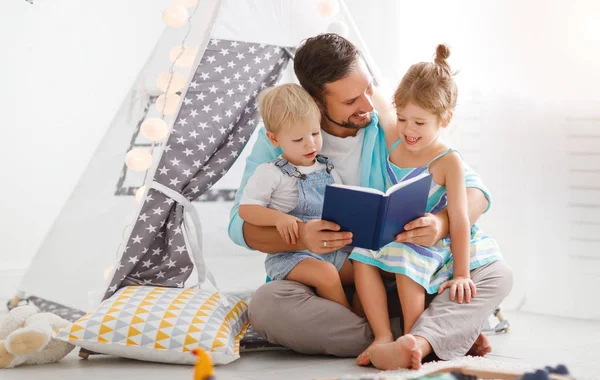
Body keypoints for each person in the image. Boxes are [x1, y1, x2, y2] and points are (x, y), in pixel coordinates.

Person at [228, 33, 512, 369]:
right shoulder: (284, 132)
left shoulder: (389, 119)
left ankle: (415, 338)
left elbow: (474, 191)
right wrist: (303, 236)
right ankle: (434, 335)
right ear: (317, 103)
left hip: (400, 272)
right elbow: (239, 226)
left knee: (496, 274)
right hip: (334, 291)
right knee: (266, 307)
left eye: (368, 87)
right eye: (350, 102)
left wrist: (440, 224)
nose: (367, 103)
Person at [350, 44, 505, 370]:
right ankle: (382, 336)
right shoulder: (396, 143)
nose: (408, 129)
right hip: (401, 233)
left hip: (435, 244)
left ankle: (411, 335)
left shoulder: (448, 160)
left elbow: (460, 220)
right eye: (403, 118)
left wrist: (462, 274)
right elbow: (376, 99)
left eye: (419, 123)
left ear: (444, 119)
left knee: (409, 260)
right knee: (361, 256)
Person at [238, 83, 353, 310]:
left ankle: (372, 321)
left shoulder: (327, 168)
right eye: (298, 140)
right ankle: (350, 322)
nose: (310, 143)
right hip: (291, 256)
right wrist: (278, 218)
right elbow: (246, 209)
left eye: (314, 133)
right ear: (274, 139)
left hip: (331, 250)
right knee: (327, 275)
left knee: (366, 268)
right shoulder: (271, 172)